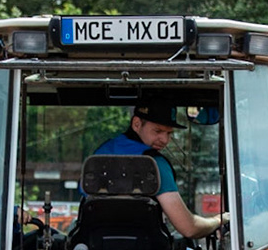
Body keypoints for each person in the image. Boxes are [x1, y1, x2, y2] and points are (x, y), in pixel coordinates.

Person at [88, 99, 225, 239]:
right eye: (158, 131)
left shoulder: (101, 152)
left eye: (169, 133)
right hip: (144, 247)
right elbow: (189, 228)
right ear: (136, 124)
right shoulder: (154, 164)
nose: (164, 140)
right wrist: (219, 220)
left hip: (92, 244)